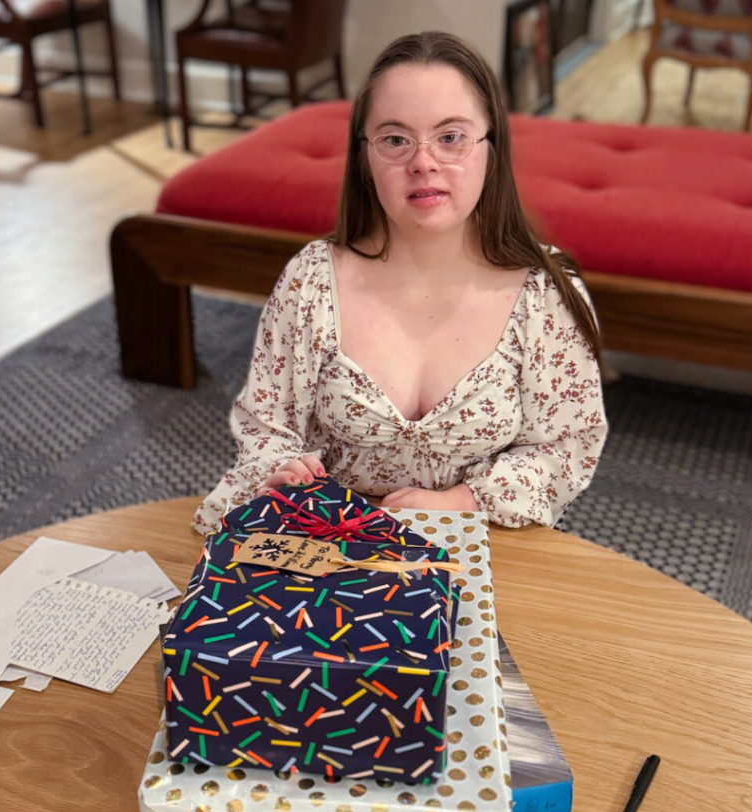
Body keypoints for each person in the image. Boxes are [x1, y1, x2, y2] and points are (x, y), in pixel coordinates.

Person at [194, 31, 607, 535]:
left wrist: (464, 501)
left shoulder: (544, 294)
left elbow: (567, 448)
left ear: (491, 146)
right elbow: (267, 431)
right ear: (365, 156)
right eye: (395, 139)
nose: (423, 162)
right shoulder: (311, 281)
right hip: (333, 552)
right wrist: (282, 470)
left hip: (488, 546)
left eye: (450, 137)